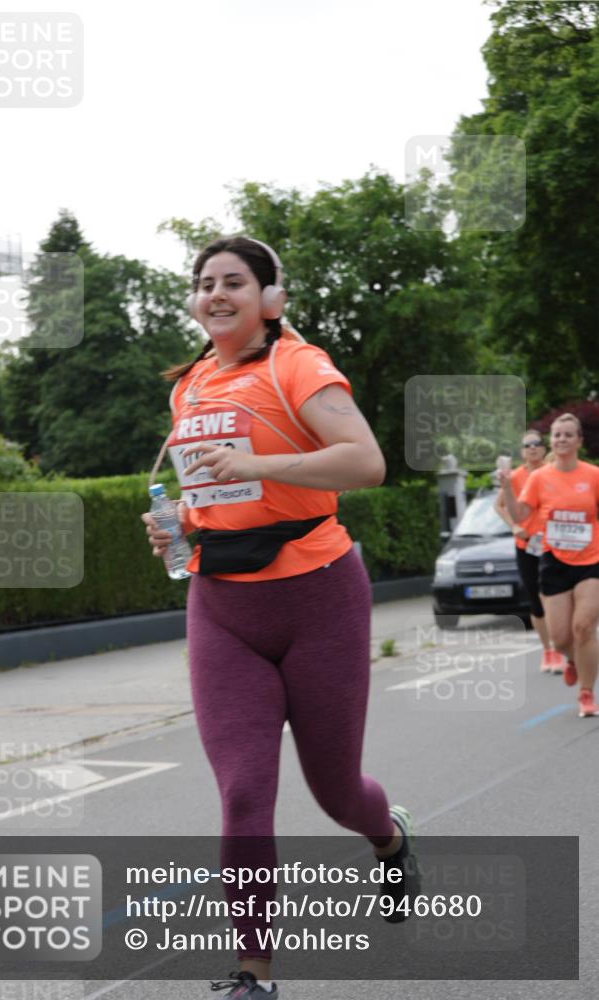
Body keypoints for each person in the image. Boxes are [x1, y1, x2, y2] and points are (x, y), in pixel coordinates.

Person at [141, 236, 419, 998]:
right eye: (204, 284)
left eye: (234, 281)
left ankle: (388, 839)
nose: (215, 294)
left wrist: (260, 465)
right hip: (223, 606)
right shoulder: (189, 387)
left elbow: (365, 463)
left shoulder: (298, 366)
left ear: (272, 299)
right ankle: (251, 972)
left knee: (335, 791)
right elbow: (214, 498)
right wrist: (180, 529)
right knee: (240, 792)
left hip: (318, 595)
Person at [498, 413, 599, 717]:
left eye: (568, 435)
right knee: (561, 637)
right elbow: (519, 515)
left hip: (591, 561)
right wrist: (506, 487)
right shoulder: (540, 477)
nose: (562, 440)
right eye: (557, 435)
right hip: (553, 561)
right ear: (551, 441)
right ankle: (572, 660)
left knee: (583, 627)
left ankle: (585, 693)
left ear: (579, 440)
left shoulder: (593, 475)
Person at [494, 431, 566, 673]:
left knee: (553, 596)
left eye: (537, 444)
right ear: (522, 452)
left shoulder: (553, 472)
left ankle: (560, 646)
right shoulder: (514, 477)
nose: (533, 448)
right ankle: (548, 651)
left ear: (544, 448)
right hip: (526, 546)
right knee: (535, 599)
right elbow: (499, 505)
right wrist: (515, 526)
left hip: (552, 543)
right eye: (527, 445)